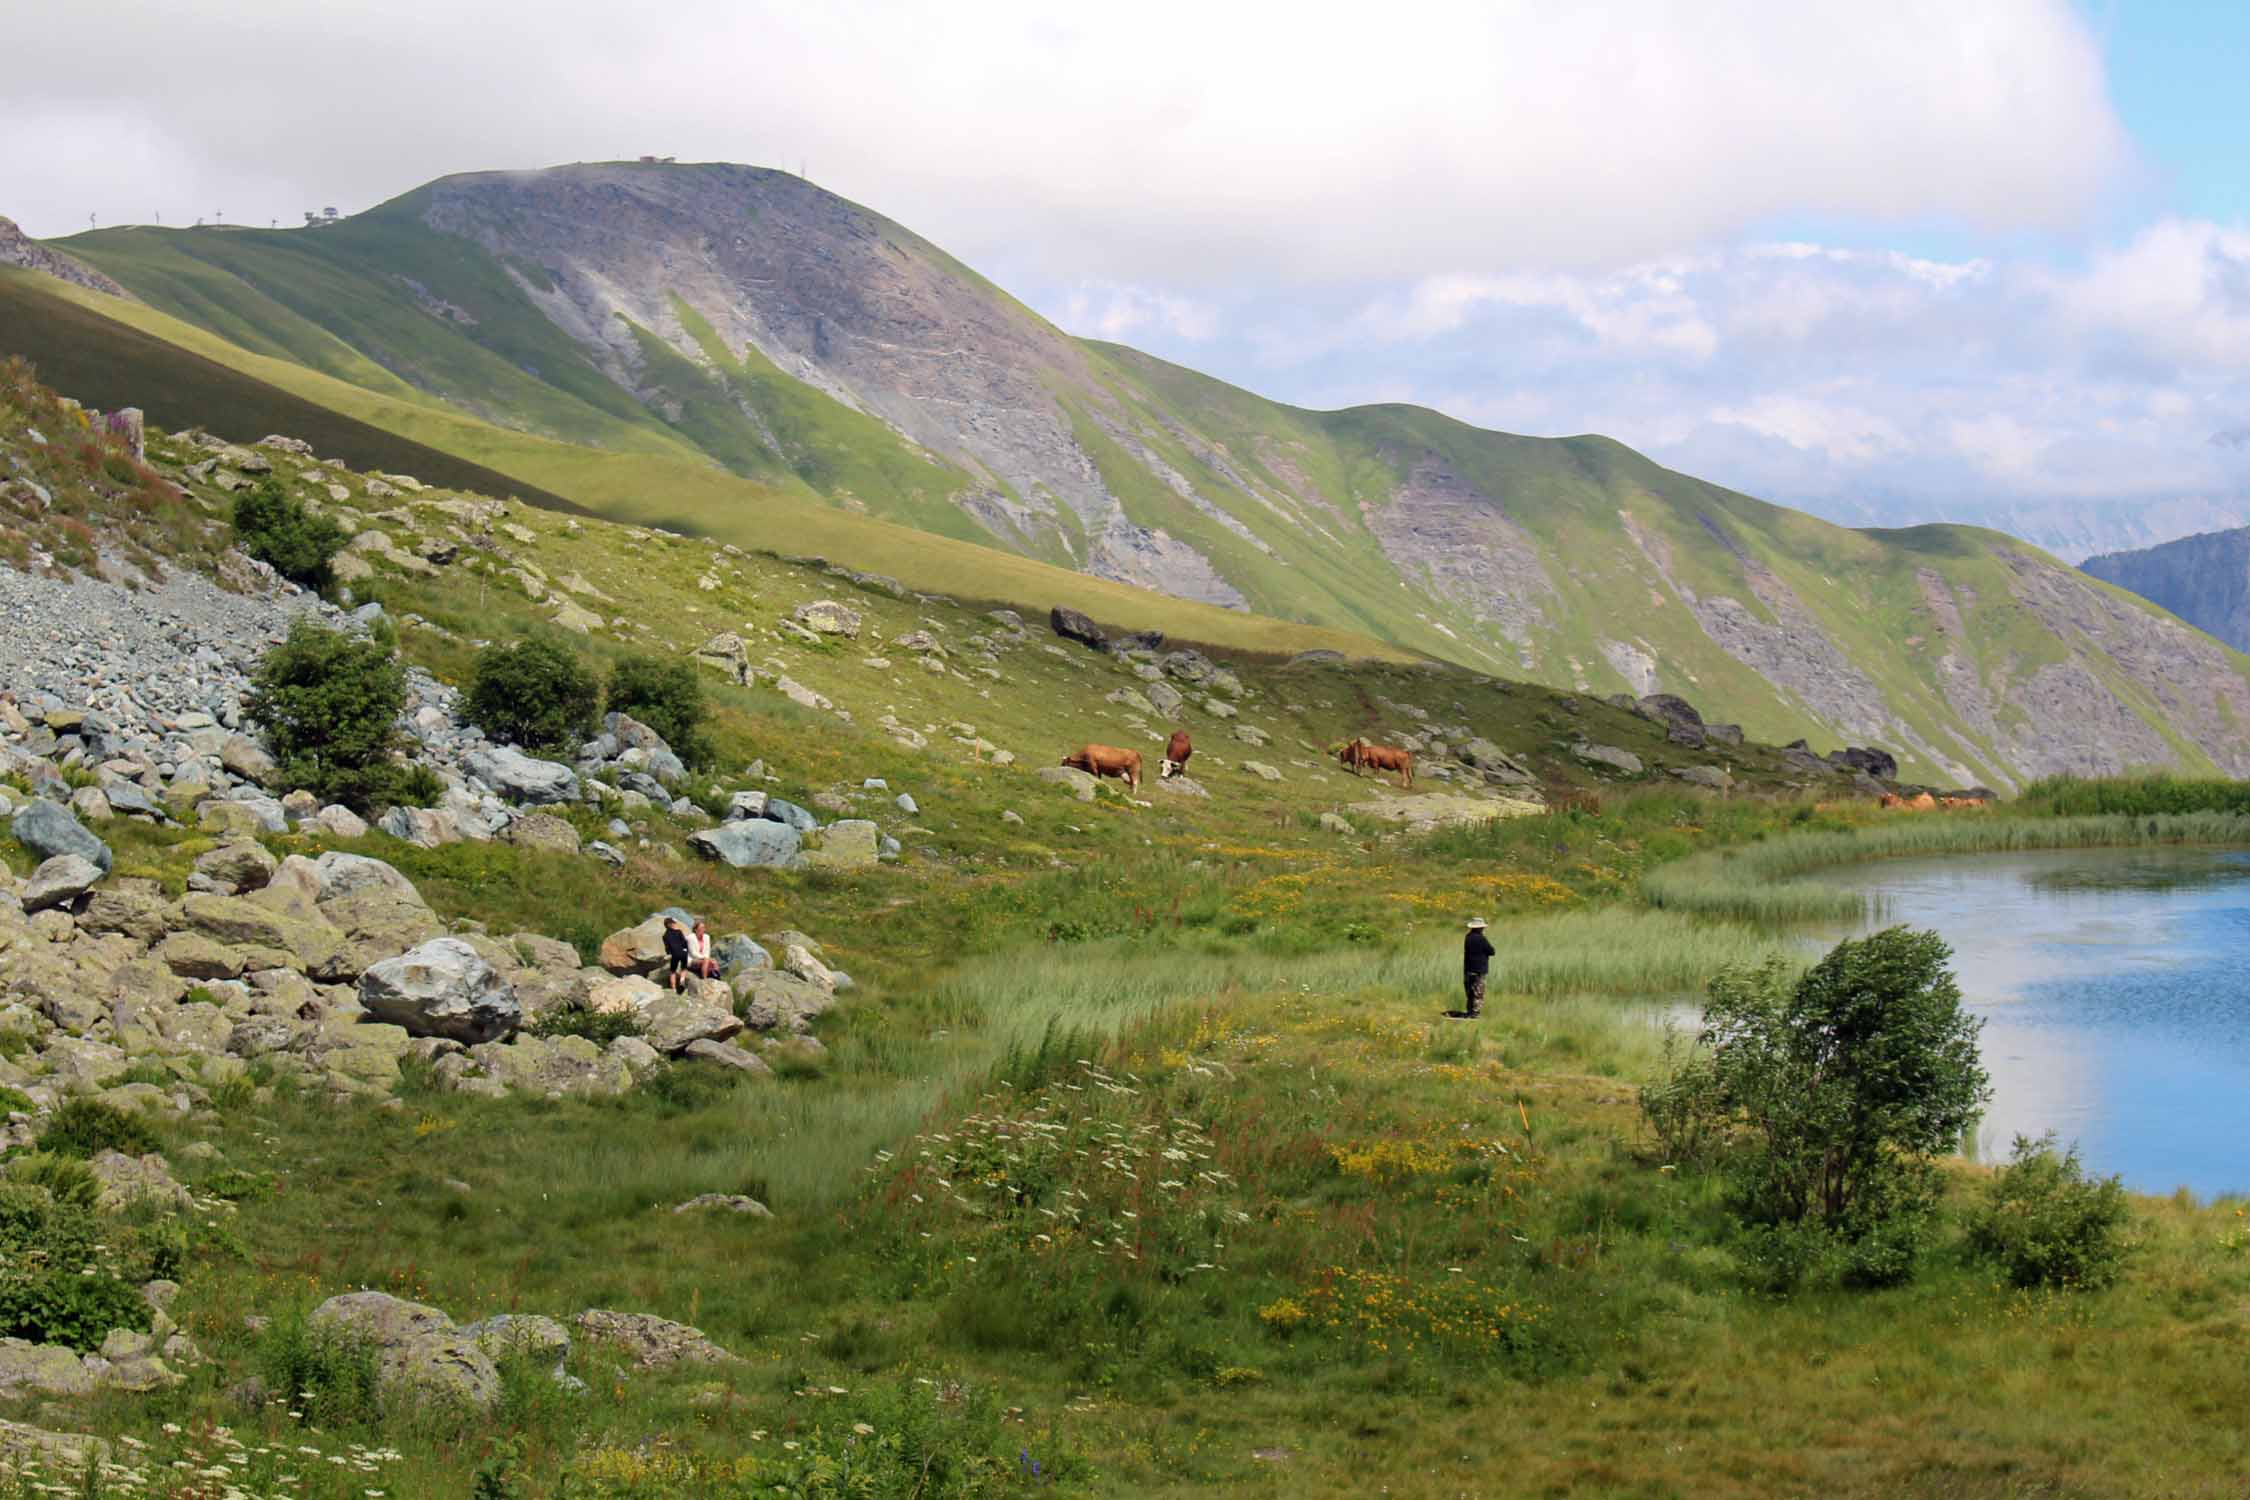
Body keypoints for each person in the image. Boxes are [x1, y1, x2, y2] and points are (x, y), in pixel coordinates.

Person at [1462, 917, 1495, 1018]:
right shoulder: (1481, 938)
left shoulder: (1467, 937)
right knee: (1478, 993)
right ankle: (1475, 1014)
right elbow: (1492, 951)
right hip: (1479, 970)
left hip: (1468, 969)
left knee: (1470, 993)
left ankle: (1469, 1012)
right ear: (1480, 928)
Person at [661, 916, 692, 992]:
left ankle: (673, 988)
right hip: (683, 952)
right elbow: (684, 943)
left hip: (674, 954)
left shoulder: (665, 936)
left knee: (672, 971)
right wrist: (686, 951)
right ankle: (682, 982)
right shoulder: (679, 932)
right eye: (673, 923)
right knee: (683, 969)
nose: (674, 924)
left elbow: (667, 947)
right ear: (669, 924)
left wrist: (669, 953)